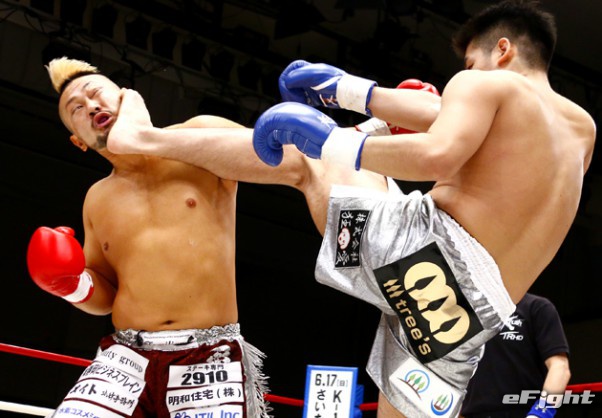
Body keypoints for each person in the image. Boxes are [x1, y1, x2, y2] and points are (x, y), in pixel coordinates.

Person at [249, 1, 596, 417]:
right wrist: (344, 89)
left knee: (311, 163)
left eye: (471, 63)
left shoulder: (487, 87)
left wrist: (332, 141)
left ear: (503, 49)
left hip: (429, 263)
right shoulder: (582, 128)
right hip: (476, 316)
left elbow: (437, 154)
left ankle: (170, 144)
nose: (467, 73)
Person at [31, 56, 406, 418]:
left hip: (207, 356)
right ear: (78, 141)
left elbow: (289, 152)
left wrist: (373, 133)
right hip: (125, 357)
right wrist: (72, 285)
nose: (91, 104)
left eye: (96, 91)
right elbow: (105, 291)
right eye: (76, 108)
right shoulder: (97, 198)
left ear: (127, 96)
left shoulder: (198, 135)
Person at [461, 293, 571, 418]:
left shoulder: (536, 307)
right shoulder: (466, 313)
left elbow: (560, 367)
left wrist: (541, 413)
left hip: (524, 412)